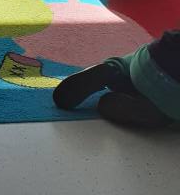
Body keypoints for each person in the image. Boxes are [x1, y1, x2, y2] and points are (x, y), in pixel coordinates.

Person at [52, 29, 180, 129]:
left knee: (127, 64)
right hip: (172, 97)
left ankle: (112, 70)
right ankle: (146, 111)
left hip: (145, 62)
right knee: (166, 111)